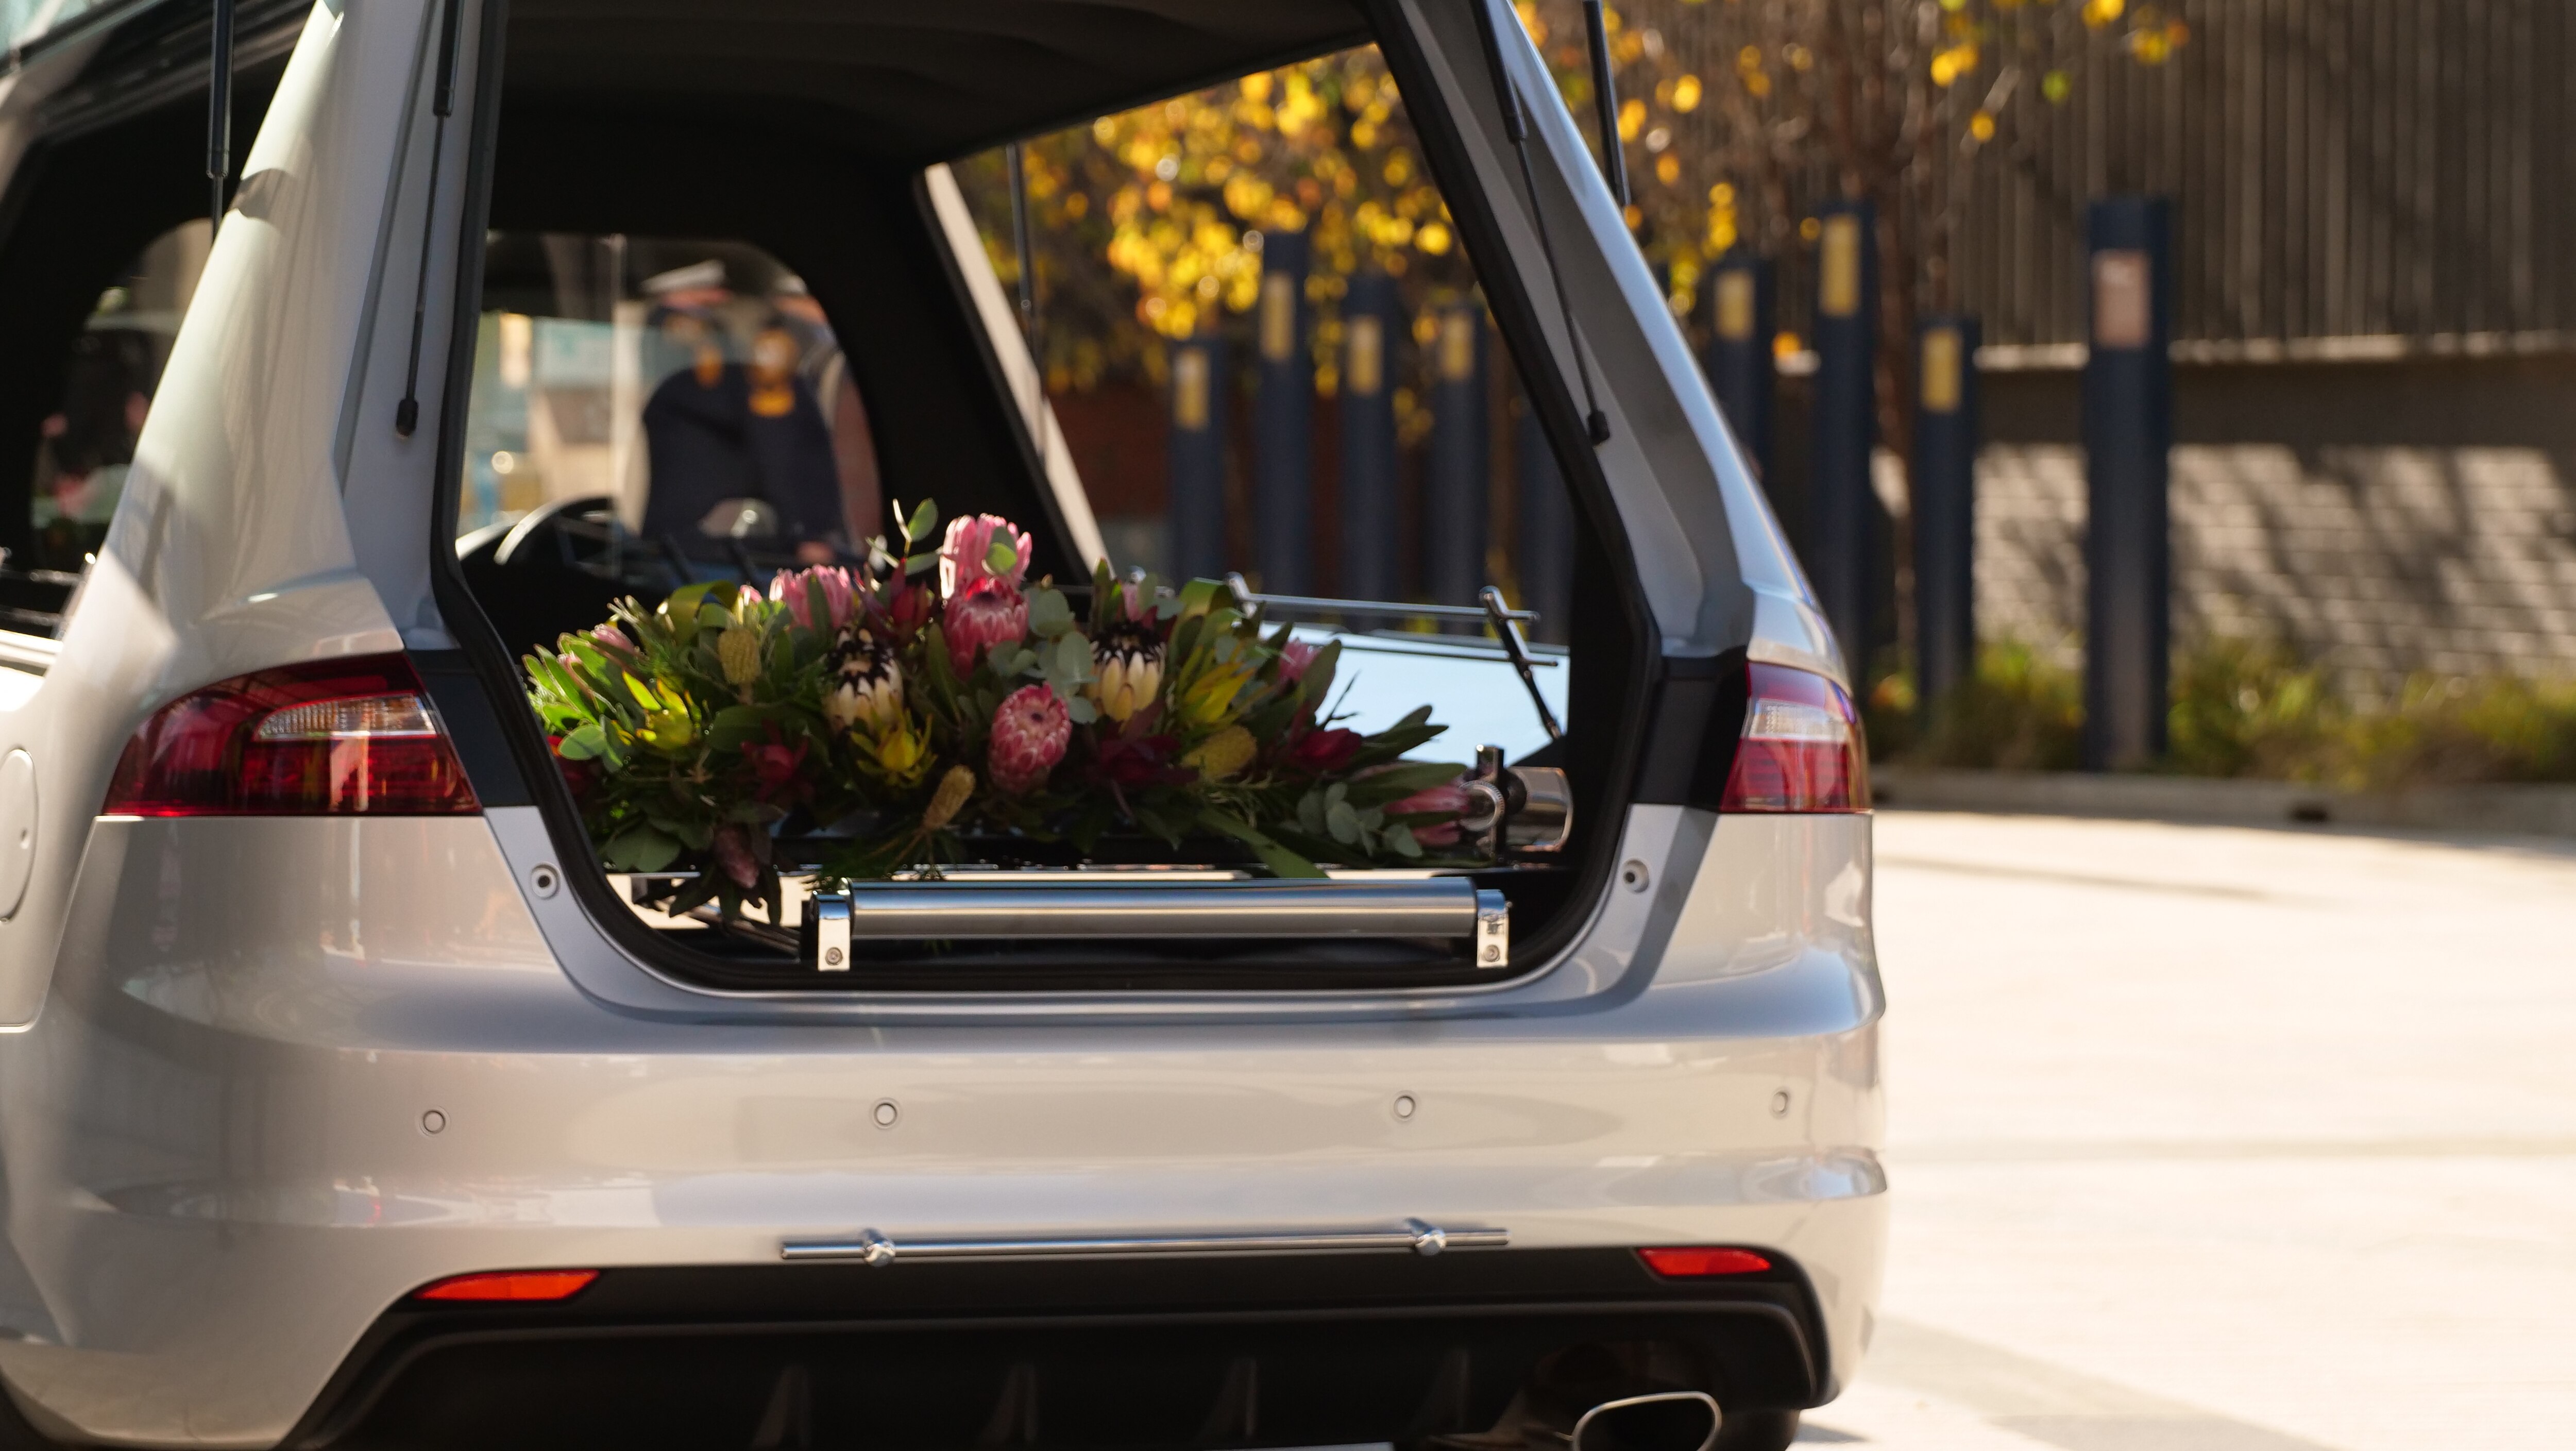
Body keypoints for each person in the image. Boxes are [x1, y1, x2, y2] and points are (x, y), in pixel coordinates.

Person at [640, 312, 844, 563]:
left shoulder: (670, 393)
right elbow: (779, 451)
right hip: (725, 563)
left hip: (672, 555)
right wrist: (811, 533)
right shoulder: (761, 389)